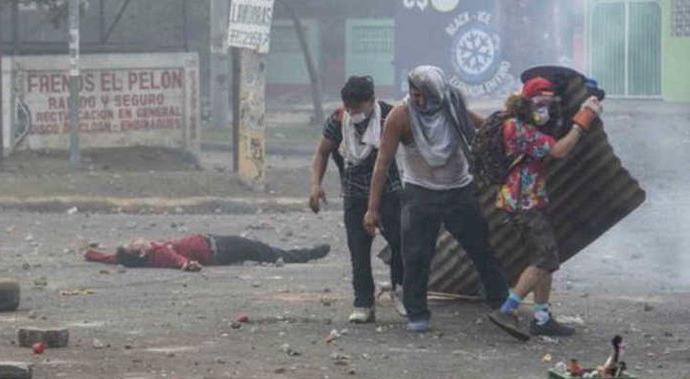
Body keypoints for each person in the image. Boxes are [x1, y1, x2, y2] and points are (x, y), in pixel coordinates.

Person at [364, 65, 509, 332]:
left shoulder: (452, 107)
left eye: (424, 96)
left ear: (437, 92)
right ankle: (417, 313)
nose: (419, 101)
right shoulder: (401, 116)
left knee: (481, 248)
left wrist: (509, 124)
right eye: (414, 95)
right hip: (420, 193)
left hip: (459, 190)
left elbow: (483, 127)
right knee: (416, 255)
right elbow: (382, 164)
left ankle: (500, 304)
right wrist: (372, 209)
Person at [487, 77, 603, 340]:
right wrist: (584, 118)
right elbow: (559, 150)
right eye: (539, 103)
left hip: (529, 201)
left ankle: (542, 317)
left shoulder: (524, 123)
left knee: (543, 259)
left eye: (548, 104)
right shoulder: (516, 128)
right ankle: (507, 309)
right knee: (546, 257)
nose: (544, 109)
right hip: (521, 203)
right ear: (525, 102)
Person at [310, 76, 405, 323]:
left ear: (371, 101)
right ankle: (363, 303)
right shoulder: (339, 120)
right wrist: (315, 185)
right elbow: (322, 152)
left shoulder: (389, 117)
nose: (353, 112)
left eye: (357, 107)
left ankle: (402, 291)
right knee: (358, 251)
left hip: (389, 192)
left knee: (400, 244)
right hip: (354, 194)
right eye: (348, 106)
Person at [84, 234, 330, 271]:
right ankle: (307, 254)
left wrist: (90, 254)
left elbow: (113, 258)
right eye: (135, 245)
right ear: (140, 254)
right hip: (217, 249)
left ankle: (300, 254)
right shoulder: (158, 253)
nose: (138, 240)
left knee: (261, 250)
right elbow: (176, 259)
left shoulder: (141, 256)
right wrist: (186, 265)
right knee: (262, 250)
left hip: (215, 243)